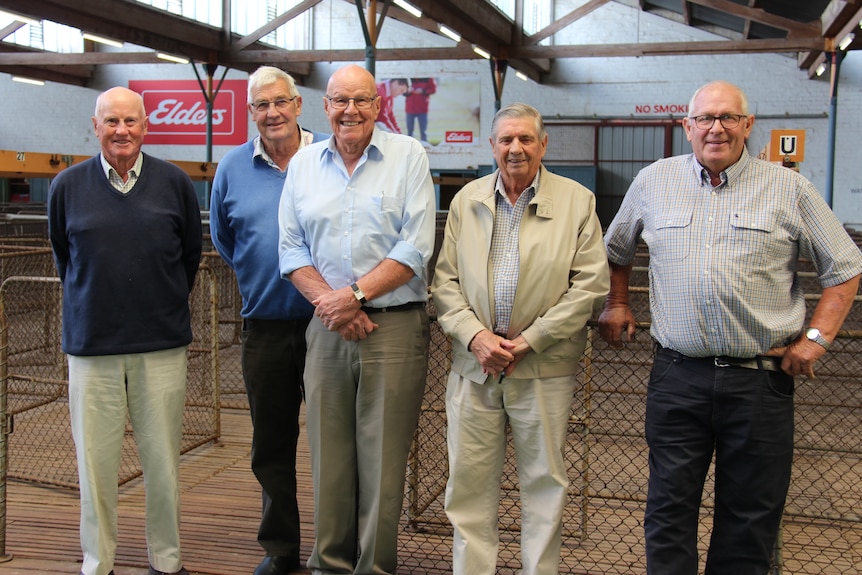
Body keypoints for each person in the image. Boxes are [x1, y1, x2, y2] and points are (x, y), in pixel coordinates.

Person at [598, 80, 862, 575]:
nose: (716, 128)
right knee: (669, 511)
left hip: (760, 381)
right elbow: (616, 250)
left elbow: (845, 267)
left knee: (749, 518)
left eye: (728, 117)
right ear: (687, 127)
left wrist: (816, 339)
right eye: (705, 118)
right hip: (677, 378)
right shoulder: (654, 180)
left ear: (747, 125)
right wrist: (617, 302)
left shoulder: (790, 188)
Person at [431, 102, 610, 575]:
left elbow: (590, 286)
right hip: (475, 369)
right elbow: (445, 283)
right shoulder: (467, 200)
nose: (516, 148)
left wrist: (531, 340)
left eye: (526, 139)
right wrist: (475, 338)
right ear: (491, 145)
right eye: (506, 139)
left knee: (545, 484)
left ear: (543, 144)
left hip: (543, 369)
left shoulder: (577, 201)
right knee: (467, 487)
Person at [277, 64, 435, 575]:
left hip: (393, 327)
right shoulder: (303, 164)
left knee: (384, 461)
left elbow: (416, 245)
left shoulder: (408, 156)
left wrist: (356, 295)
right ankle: (328, 564)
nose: (351, 110)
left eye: (362, 100)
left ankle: (374, 567)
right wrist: (335, 305)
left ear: (378, 104)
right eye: (340, 100)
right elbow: (291, 248)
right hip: (327, 328)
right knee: (328, 456)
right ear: (325, 108)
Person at [47, 86, 202, 575]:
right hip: (92, 348)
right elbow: (64, 259)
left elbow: (189, 258)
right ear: (95, 127)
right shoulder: (67, 187)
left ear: (145, 125)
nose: (122, 131)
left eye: (130, 121)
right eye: (111, 122)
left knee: (163, 465)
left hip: (160, 346)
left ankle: (167, 560)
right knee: (94, 468)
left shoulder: (174, 183)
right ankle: (98, 563)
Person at [210, 66, 326, 575]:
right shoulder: (232, 168)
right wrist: (266, 275)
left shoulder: (330, 157)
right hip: (266, 326)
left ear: (299, 105)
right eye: (261, 105)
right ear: (250, 111)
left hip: (332, 324)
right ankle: (280, 548)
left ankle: (341, 545)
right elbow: (225, 240)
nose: (272, 112)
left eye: (281, 102)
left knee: (340, 440)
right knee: (270, 444)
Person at [405, 77, 437, 142]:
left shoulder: (428, 77)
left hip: (422, 109)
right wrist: (408, 91)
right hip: (410, 109)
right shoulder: (408, 77)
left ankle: (425, 147)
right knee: (409, 132)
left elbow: (433, 89)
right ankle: (410, 148)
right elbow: (403, 91)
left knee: (423, 132)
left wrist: (423, 91)